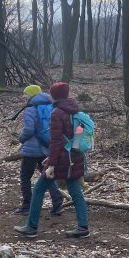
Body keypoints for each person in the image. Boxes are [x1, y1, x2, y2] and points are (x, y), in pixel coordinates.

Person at [14, 82, 90, 239]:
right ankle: (83, 227)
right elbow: (73, 137)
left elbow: (56, 142)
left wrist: (51, 164)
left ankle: (31, 227)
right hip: (75, 157)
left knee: (38, 189)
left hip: (61, 160)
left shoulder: (57, 113)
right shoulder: (75, 110)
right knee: (76, 192)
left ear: (54, 95)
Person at [13, 85, 64, 216]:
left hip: (31, 150)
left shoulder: (30, 109)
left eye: (25, 94)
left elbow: (29, 130)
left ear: (31, 95)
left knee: (25, 177)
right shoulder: (52, 107)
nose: (23, 96)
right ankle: (58, 204)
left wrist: (21, 138)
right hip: (46, 147)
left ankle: (27, 206)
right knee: (48, 175)